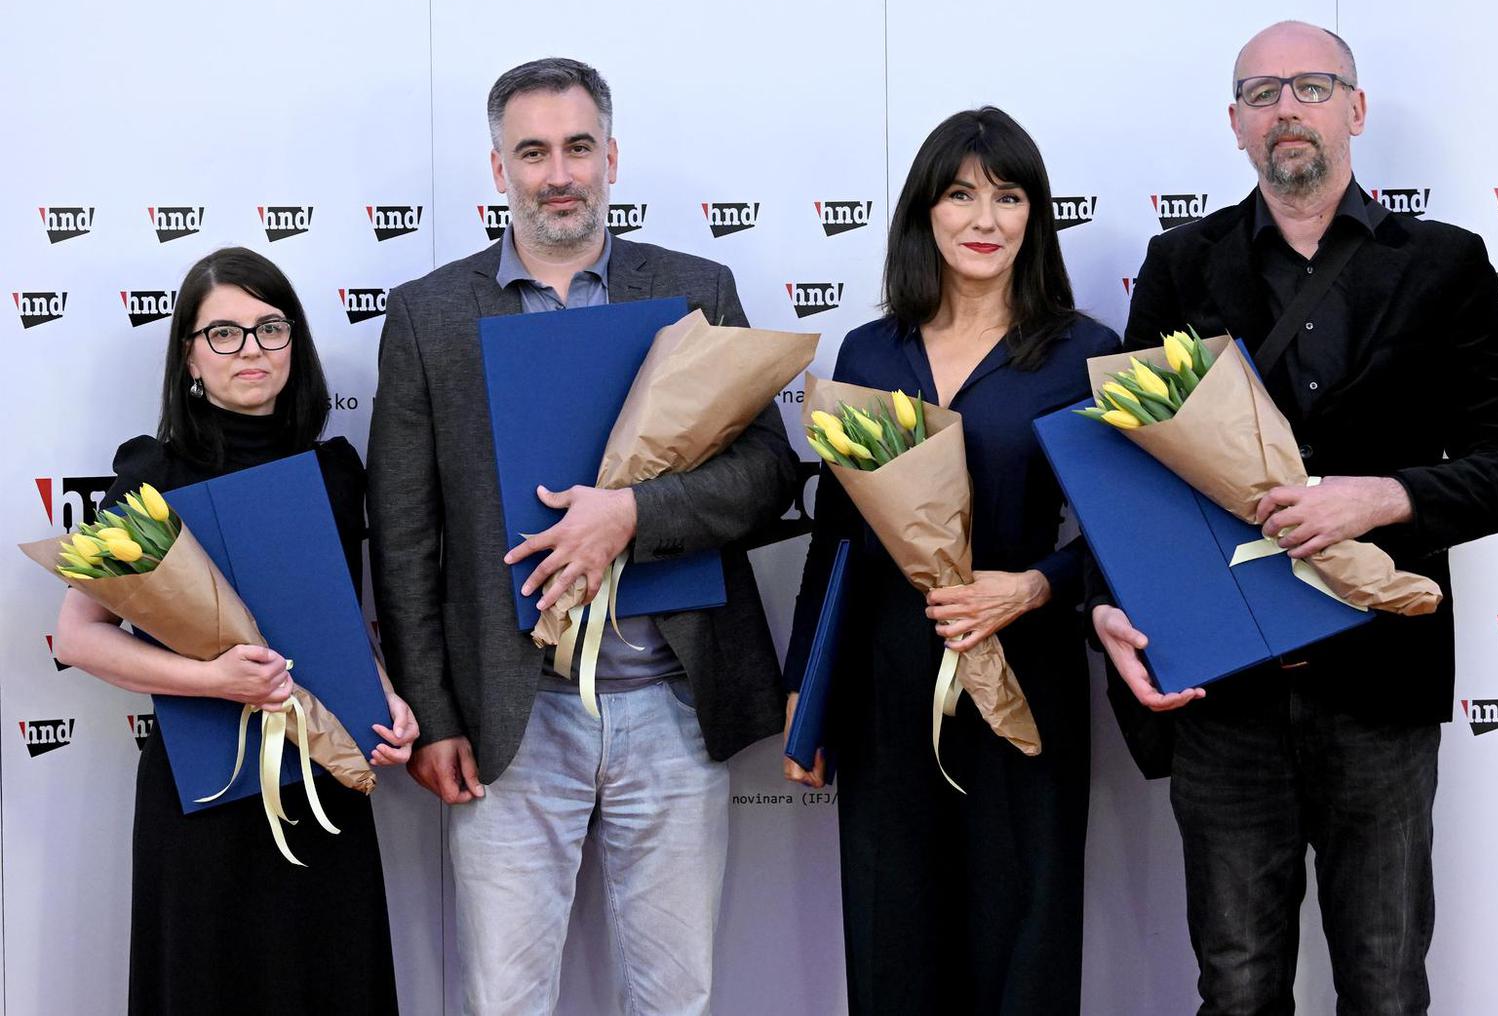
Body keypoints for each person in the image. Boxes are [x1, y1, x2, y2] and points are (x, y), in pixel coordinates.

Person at [1092, 21, 1498, 1015]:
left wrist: (1382, 496)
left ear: (1355, 108)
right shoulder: (1180, 264)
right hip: (1225, 693)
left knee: (1383, 986)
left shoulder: (1444, 264)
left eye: (1308, 86)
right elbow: (1127, 476)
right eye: (1260, 93)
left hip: (1378, 691)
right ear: (1234, 124)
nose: (1283, 109)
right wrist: (1103, 606)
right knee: (1236, 986)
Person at [367, 57, 797, 1015]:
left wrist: (635, 516)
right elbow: (403, 540)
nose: (556, 173)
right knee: (506, 1002)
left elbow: (768, 475)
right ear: (497, 171)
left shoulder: (697, 287)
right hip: (511, 718)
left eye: (575, 148)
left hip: (673, 707)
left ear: (611, 156)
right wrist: (435, 715)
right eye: (531, 153)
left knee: (675, 998)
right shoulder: (428, 315)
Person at [782, 106, 1118, 1015]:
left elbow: (1124, 542)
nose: (984, 218)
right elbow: (838, 534)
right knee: (895, 939)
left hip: (1026, 675)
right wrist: (805, 689)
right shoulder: (869, 349)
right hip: (886, 678)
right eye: (961, 194)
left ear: (1034, 215)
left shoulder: (1082, 353)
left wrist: (1036, 585)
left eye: (1008, 197)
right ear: (924, 211)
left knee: (1025, 937)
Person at [51, 246, 418, 1014]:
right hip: (203, 790)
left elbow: (340, 621)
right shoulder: (148, 475)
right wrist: (213, 681)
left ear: (296, 343)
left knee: (330, 980)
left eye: (269, 327)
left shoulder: (335, 471)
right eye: (223, 332)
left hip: (321, 776)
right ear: (188, 351)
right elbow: (78, 636)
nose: (250, 349)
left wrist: (386, 696)